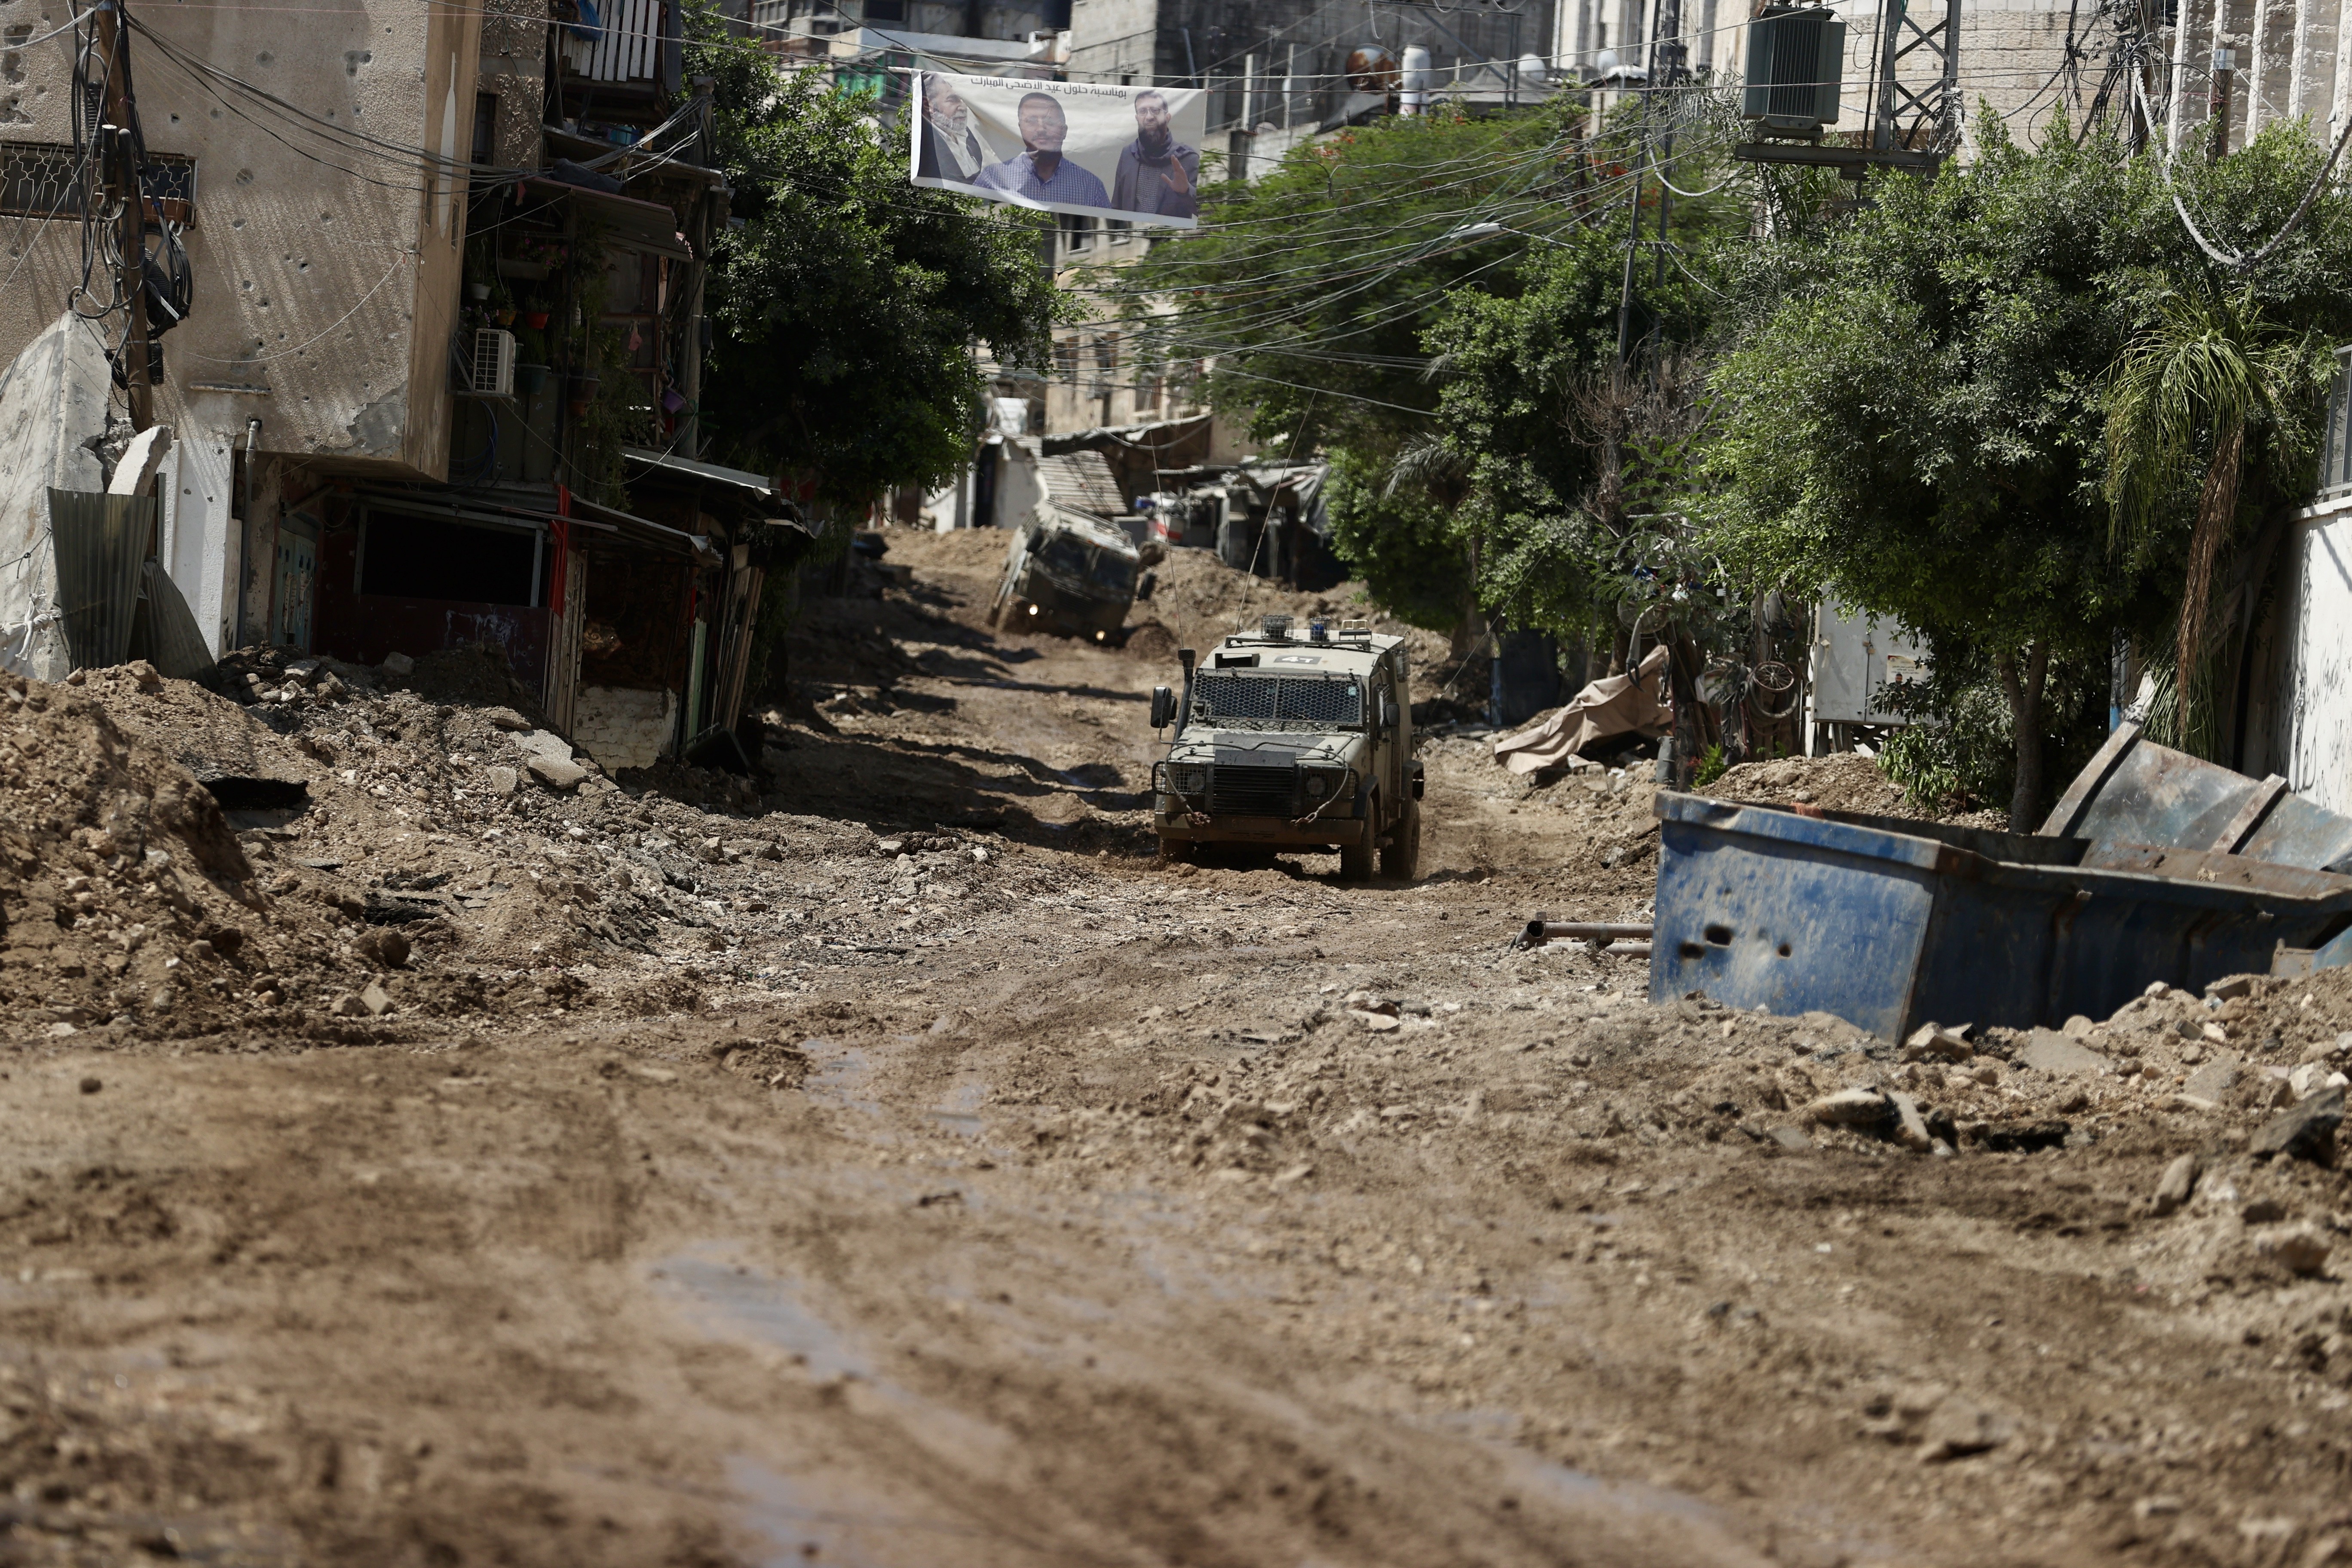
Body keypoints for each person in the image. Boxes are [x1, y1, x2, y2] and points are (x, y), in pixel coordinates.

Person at [973, 91, 1109, 208]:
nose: (1041, 129)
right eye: (1031, 121)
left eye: (1050, 122)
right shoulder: (994, 177)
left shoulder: (1090, 185)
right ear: (1020, 128)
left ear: (1064, 131)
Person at [1110, 89, 1198, 220]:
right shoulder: (1128, 154)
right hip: (1135, 237)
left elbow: (1207, 213)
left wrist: (1186, 191)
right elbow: (1116, 207)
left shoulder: (1188, 158)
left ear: (1167, 118)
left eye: (1156, 111)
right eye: (1142, 112)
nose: (1149, 117)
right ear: (1137, 118)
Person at [915, 74, 989, 184]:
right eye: (953, 100)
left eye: (964, 100)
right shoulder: (923, 146)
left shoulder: (969, 137)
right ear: (927, 105)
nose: (963, 107)